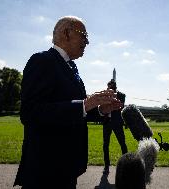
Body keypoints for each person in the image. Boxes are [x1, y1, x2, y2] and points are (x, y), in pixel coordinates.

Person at [14, 16, 122, 189]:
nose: (87, 42)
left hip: (67, 167)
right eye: (84, 36)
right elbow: (30, 113)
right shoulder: (42, 61)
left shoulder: (71, 67)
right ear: (66, 33)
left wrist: (99, 109)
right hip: (46, 171)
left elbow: (75, 109)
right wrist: (84, 105)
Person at [102, 79, 128, 174]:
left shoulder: (121, 95)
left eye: (111, 87)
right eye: (108, 87)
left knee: (122, 143)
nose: (109, 88)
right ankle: (106, 166)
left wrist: (113, 96)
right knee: (105, 145)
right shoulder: (104, 96)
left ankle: (126, 164)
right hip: (107, 122)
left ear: (115, 87)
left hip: (117, 123)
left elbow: (120, 105)